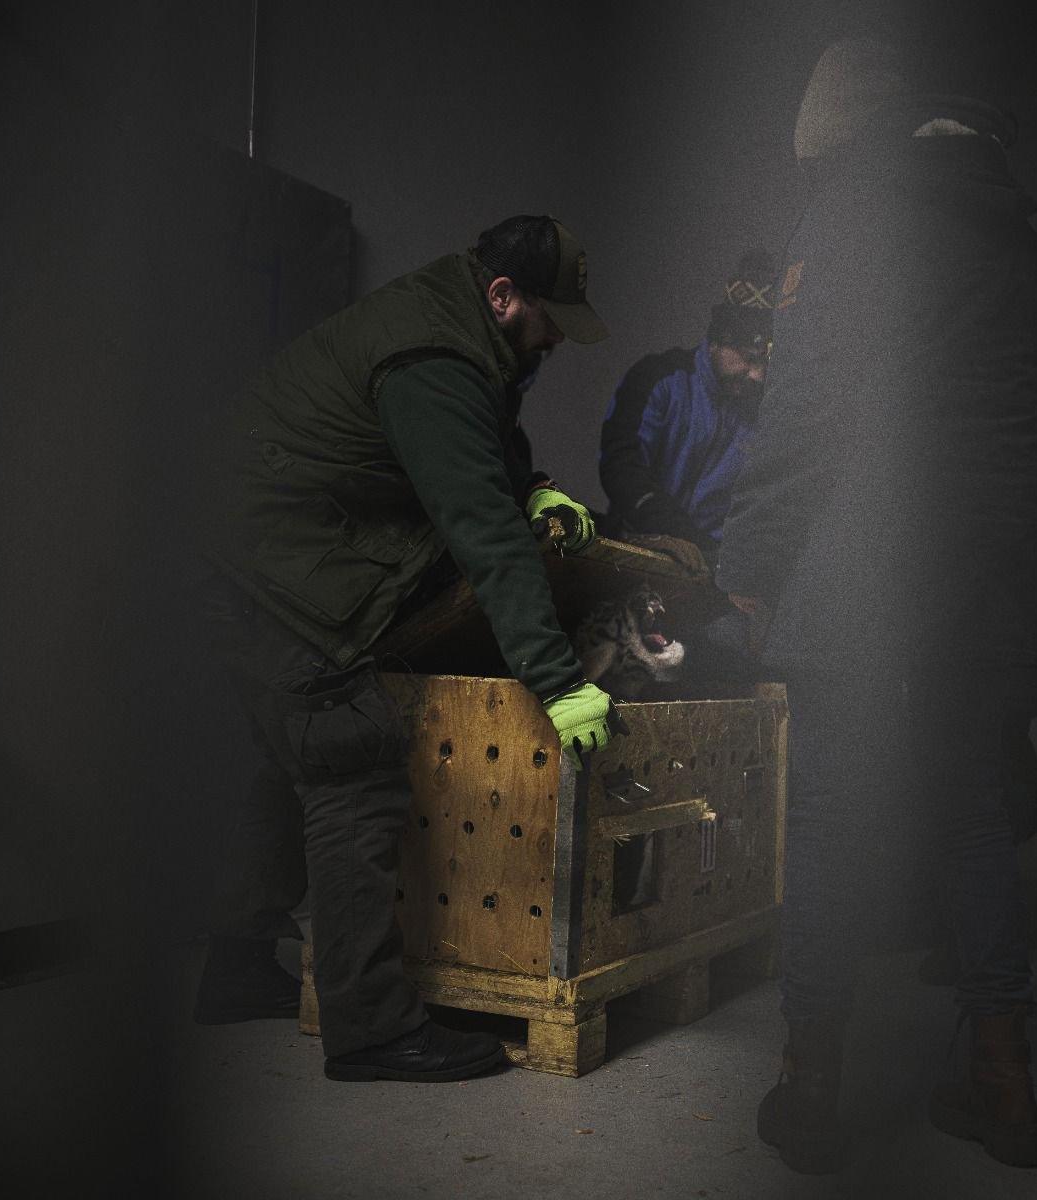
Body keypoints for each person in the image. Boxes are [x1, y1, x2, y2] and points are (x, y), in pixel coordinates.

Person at [716, 39, 1037, 1173]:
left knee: (826, 821)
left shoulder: (848, 223)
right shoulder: (1023, 249)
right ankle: (1003, 1084)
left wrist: (748, 563)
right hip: (984, 583)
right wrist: (1020, 541)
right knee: (973, 813)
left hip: (858, 575)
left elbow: (803, 415)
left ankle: (809, 1086)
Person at [194, 214, 626, 1085]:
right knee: (352, 758)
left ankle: (236, 969)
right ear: (505, 296)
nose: (554, 340)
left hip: (249, 547)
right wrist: (559, 683)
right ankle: (372, 1029)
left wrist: (537, 490)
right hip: (276, 561)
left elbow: (484, 447)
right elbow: (483, 538)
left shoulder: (458, 326)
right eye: (548, 319)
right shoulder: (434, 356)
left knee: (283, 761)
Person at [598, 249, 776, 682]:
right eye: (747, 357)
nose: (756, 376)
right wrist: (678, 538)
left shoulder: (763, 417)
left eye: (764, 362)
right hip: (637, 566)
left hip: (707, 591)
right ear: (717, 341)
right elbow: (622, 467)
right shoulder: (661, 378)